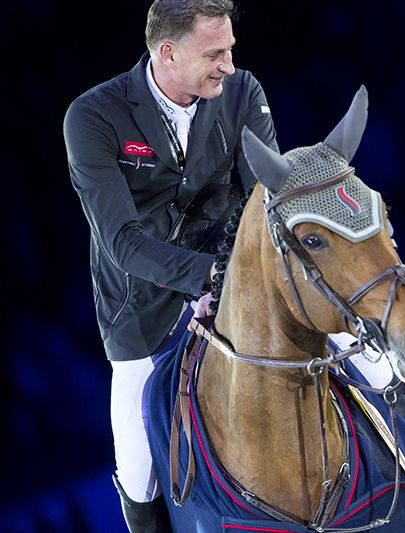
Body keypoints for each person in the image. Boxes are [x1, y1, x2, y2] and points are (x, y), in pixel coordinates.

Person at [63, 1, 277, 530]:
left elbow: (265, 201)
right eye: (215, 53)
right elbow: (122, 242)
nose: (230, 64)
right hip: (142, 312)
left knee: (369, 360)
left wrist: (243, 273)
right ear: (167, 53)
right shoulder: (92, 117)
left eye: (230, 49)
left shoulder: (243, 92)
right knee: (137, 471)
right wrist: (210, 274)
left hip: (237, 280)